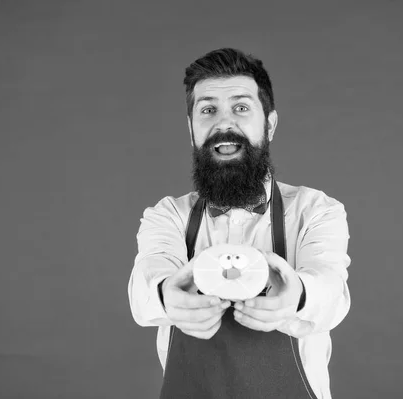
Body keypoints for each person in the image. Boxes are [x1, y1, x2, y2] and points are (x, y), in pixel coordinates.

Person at [128, 48, 351, 399]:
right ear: (191, 130)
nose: (224, 123)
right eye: (208, 110)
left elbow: (332, 290)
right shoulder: (167, 216)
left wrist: (297, 295)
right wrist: (165, 294)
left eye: (241, 107)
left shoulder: (316, 210)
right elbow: (144, 287)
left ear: (270, 124)